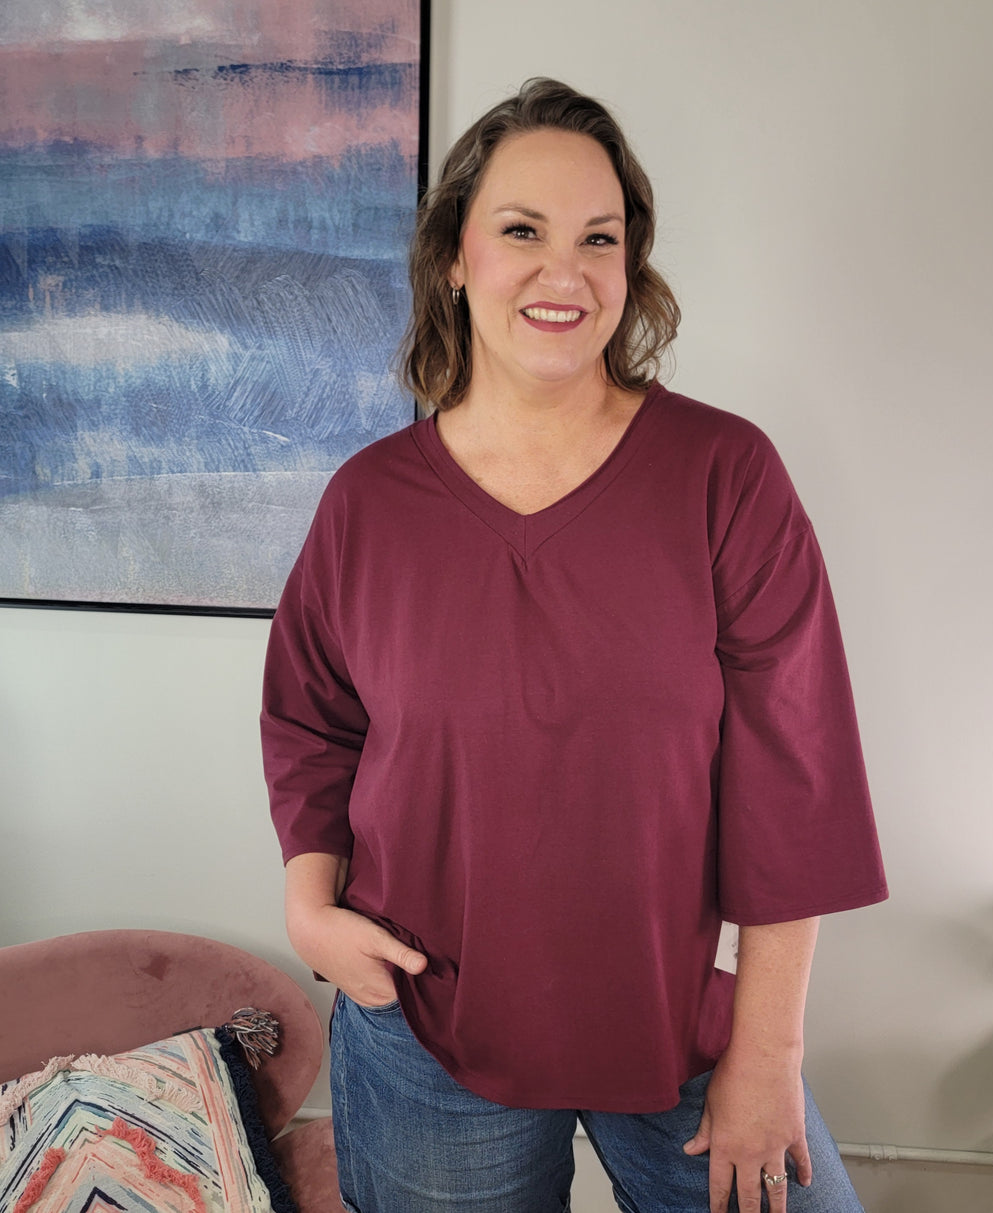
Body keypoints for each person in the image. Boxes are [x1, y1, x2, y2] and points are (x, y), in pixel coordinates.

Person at [261, 78, 887, 1213]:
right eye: (521, 232)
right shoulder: (370, 503)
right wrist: (310, 905)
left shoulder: (724, 476)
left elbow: (795, 774)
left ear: (631, 266)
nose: (566, 272)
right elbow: (313, 721)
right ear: (456, 257)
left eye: (599, 238)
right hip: (428, 1031)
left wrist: (768, 1055)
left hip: (683, 1022)